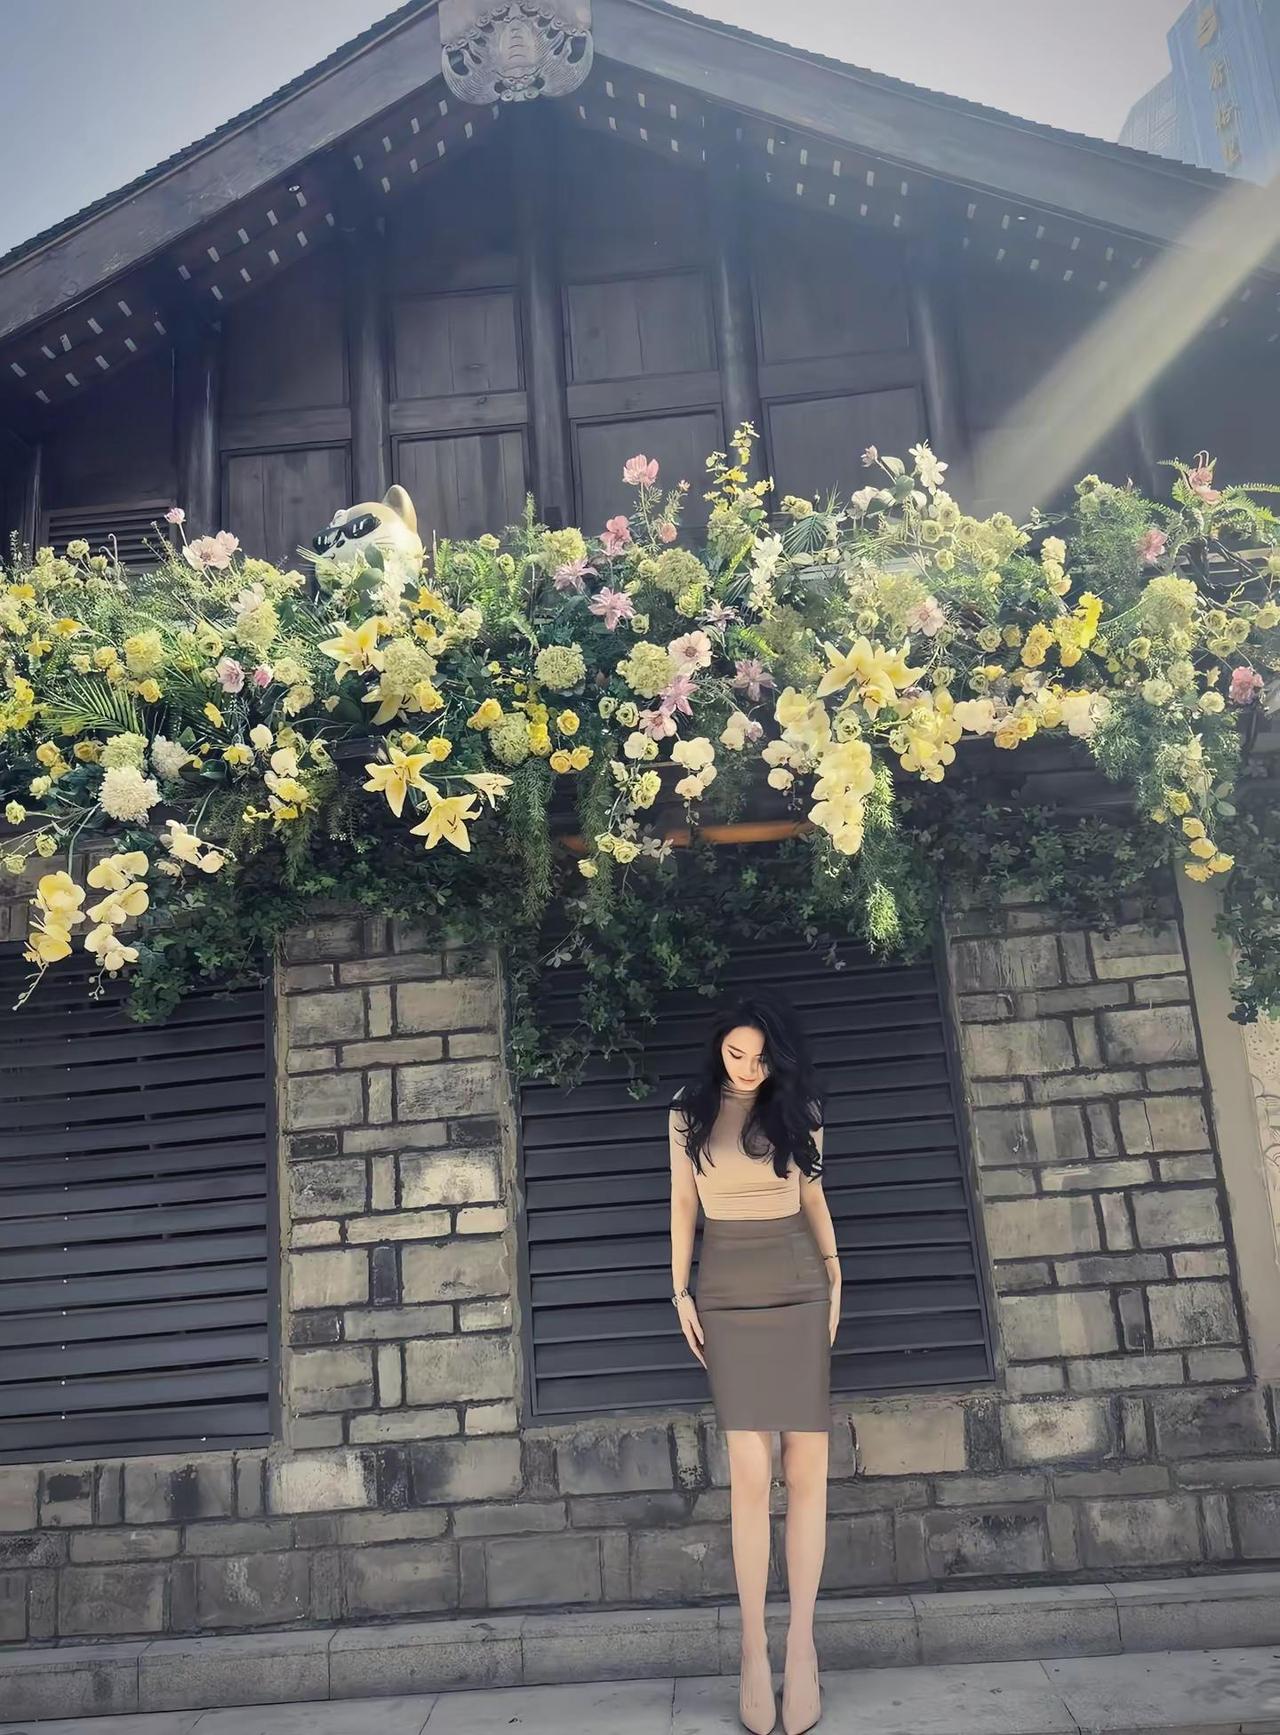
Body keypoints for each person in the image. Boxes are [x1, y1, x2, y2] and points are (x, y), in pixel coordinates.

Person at [668, 994, 840, 1735]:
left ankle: (801, 1647)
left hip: (799, 1282)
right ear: (719, 1049)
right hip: (726, 1289)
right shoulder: (687, 1112)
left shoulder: (800, 1108)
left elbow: (813, 1198)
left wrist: (836, 1274)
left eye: (760, 1057)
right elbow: (682, 1203)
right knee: (748, 1471)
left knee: (806, 1468)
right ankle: (751, 1649)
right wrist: (679, 1289)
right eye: (735, 1054)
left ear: (778, 1058)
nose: (746, 1068)